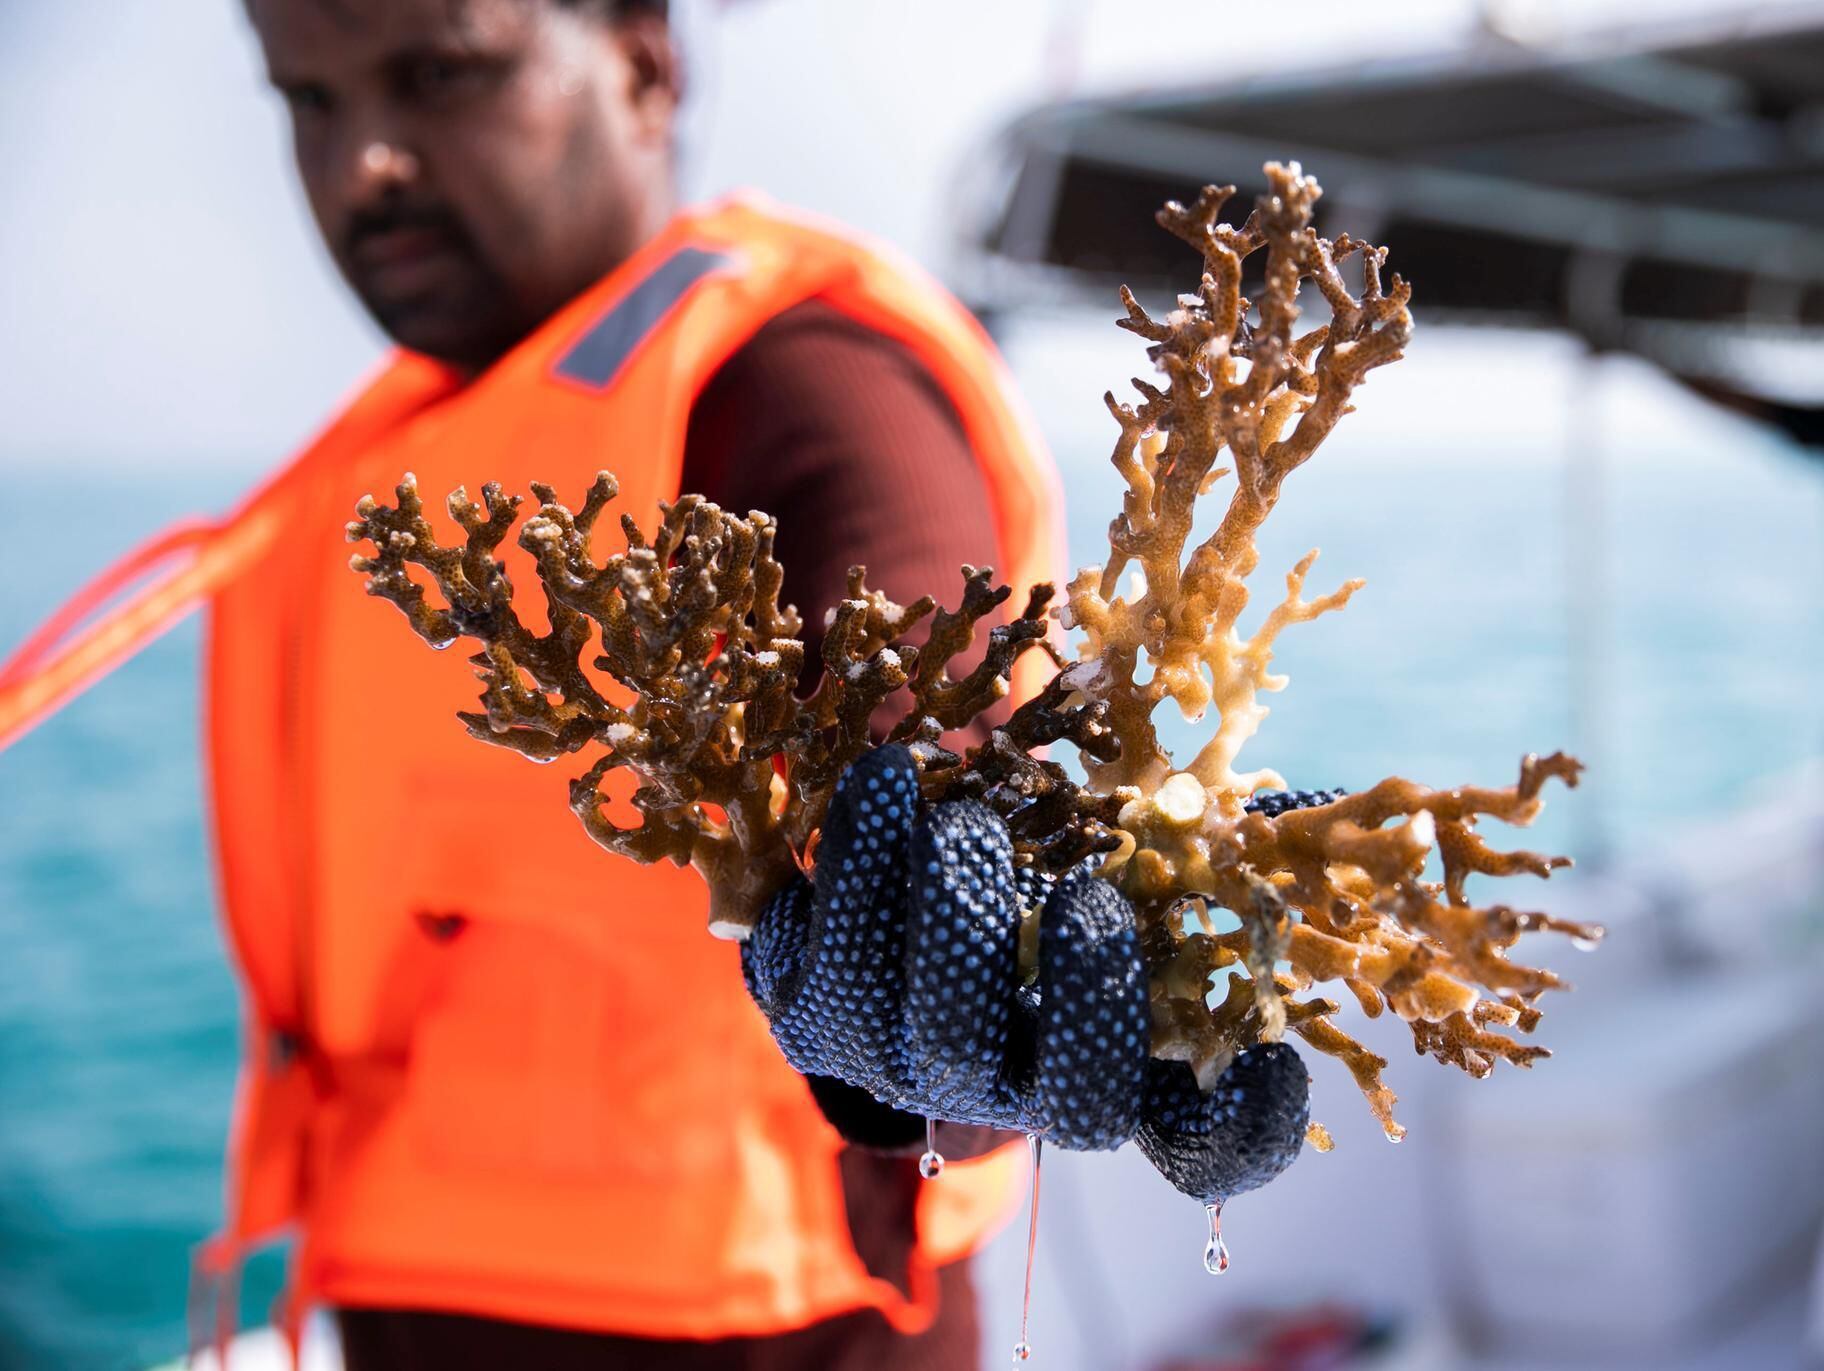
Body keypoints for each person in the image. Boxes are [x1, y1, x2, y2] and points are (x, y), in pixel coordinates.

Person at [0, 0, 1063, 1365]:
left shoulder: (802, 385)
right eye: (306, 102)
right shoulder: (409, 432)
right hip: (402, 1288)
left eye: (440, 74)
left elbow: (927, 708)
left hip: (765, 1330)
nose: (364, 163)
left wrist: (963, 936)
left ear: (641, 65)